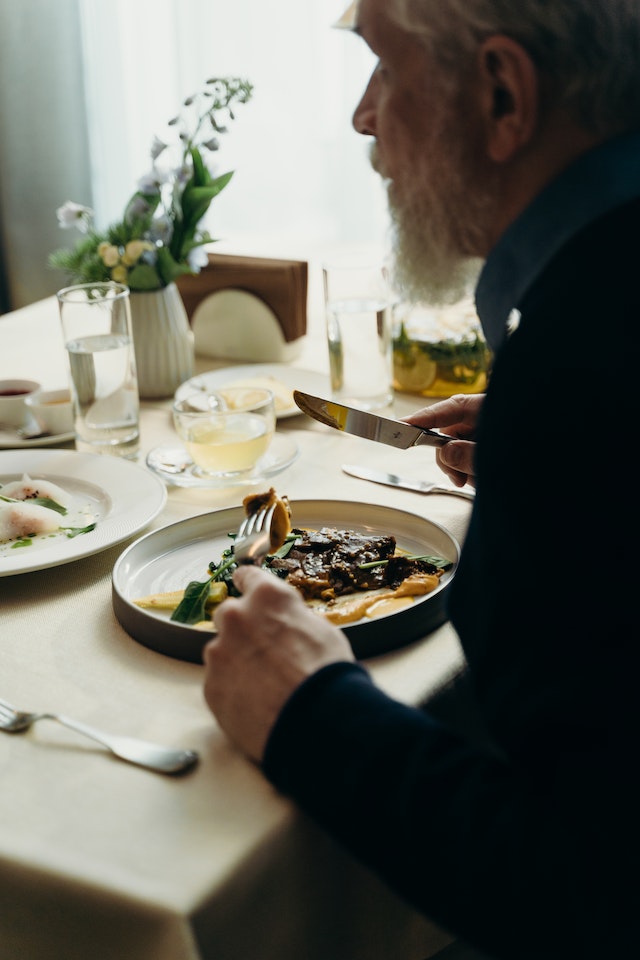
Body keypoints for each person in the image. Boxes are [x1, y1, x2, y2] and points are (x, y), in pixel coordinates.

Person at [203, 1, 639, 956]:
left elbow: (594, 893)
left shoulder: (584, 368)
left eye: (384, 71)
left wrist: (311, 712)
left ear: (501, 94)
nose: (364, 117)